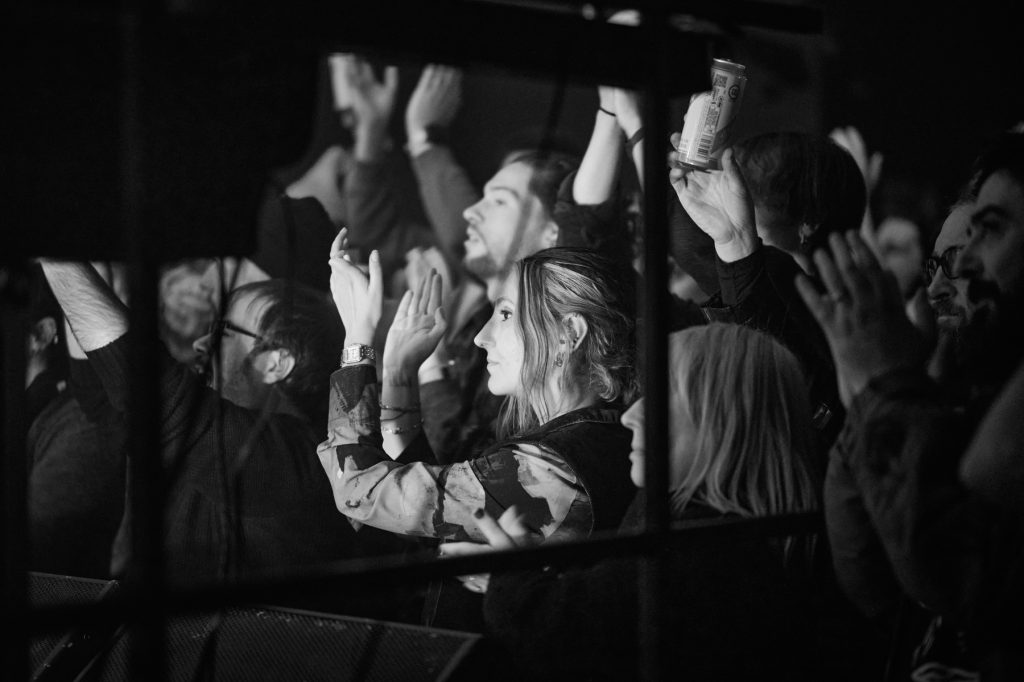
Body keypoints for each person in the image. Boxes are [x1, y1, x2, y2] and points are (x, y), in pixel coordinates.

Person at [440, 323, 822, 681]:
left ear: (725, 421)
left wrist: (511, 579)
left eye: (659, 397)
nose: (631, 416)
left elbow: (570, 637)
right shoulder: (711, 536)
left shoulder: (705, 553)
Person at [35, 262, 407, 614]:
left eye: (222, 332)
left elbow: (151, 392)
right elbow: (102, 392)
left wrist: (56, 256)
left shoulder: (298, 459)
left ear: (276, 363)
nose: (201, 343)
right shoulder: (213, 430)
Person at [796, 130, 1024, 680]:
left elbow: (957, 571)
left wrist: (887, 388)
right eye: (936, 265)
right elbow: (871, 578)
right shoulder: (967, 390)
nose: (954, 276)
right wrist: (878, 393)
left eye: (988, 232)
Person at [318, 240, 639, 628]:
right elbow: (433, 522)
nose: (480, 337)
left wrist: (357, 340)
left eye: (505, 314)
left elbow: (357, 488)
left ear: (566, 334)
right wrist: (400, 373)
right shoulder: (581, 443)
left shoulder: (555, 470)